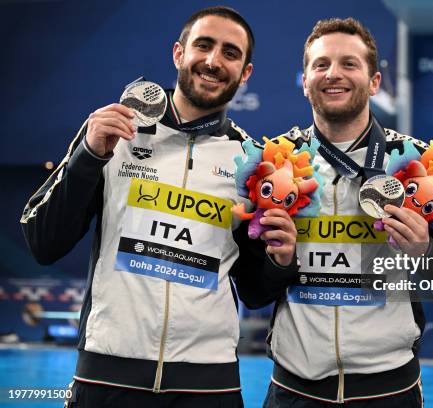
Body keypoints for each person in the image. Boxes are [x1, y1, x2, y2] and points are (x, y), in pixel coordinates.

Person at [20, 6, 297, 407]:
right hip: (107, 376)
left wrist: (281, 261)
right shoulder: (113, 131)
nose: (214, 61)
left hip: (209, 384)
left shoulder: (252, 163)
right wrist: (88, 156)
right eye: (203, 45)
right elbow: (43, 243)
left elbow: (255, 291)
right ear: (178, 53)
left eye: (230, 53)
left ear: (245, 73)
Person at [263, 18, 433, 407]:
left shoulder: (422, 166)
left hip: (389, 392)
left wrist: (425, 252)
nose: (334, 74)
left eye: (349, 63)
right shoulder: (275, 163)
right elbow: (250, 283)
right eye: (321, 64)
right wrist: (279, 263)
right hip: (294, 391)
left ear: (375, 81)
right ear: (305, 80)